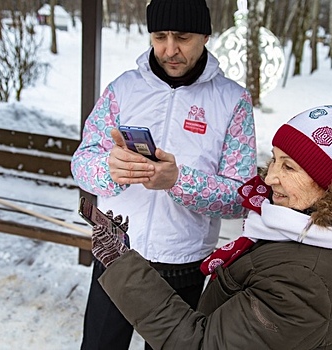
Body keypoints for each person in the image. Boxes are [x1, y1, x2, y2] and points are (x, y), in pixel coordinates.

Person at [90, 96, 332, 349]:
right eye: (275, 159)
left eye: (289, 167)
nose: (270, 177)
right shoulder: (302, 232)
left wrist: (121, 267)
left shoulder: (303, 281)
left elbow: (202, 345)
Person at [70, 0, 257, 348]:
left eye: (182, 37)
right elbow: (82, 161)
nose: (170, 50)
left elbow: (241, 196)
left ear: (205, 35)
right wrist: (108, 169)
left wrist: (178, 182)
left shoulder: (233, 101)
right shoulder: (123, 89)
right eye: (159, 37)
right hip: (116, 252)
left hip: (183, 260)